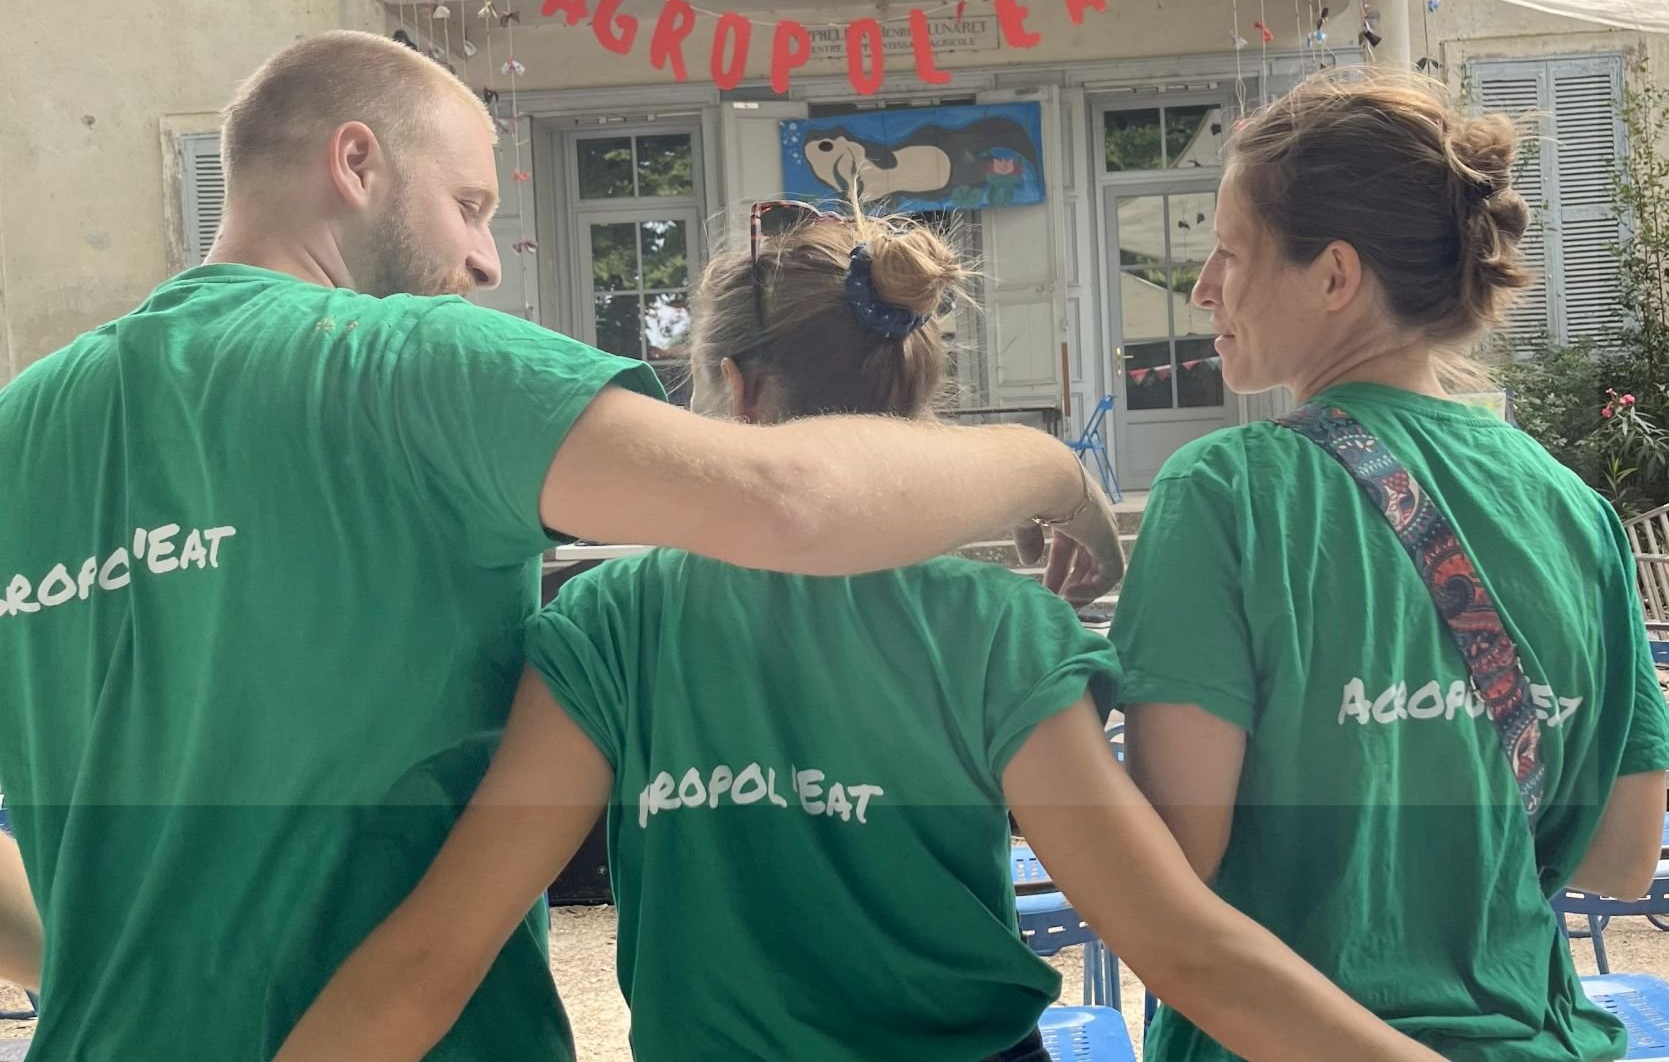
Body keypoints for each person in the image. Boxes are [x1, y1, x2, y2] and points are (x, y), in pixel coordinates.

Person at [0, 31, 1122, 1062]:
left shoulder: (18, 432)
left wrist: (133, 980)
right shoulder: (410, 363)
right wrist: (1057, 473)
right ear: (356, 163)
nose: (485, 260)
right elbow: (792, 503)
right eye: (469, 205)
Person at [274, 204, 1447, 1062]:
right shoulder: (997, 630)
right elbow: (1183, 948)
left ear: (735, 389)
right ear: (914, 392)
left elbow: (435, 952)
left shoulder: (614, 625)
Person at [1110, 72, 1669, 1062]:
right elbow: (1622, 856)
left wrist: (1030, 695)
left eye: (1229, 251)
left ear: (1334, 276)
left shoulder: (1223, 492)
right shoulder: (1572, 507)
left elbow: (1172, 872)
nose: (1202, 286)